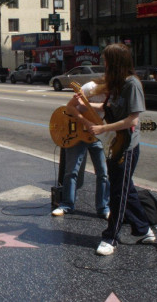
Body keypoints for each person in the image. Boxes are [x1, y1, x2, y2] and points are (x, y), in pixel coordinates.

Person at [84, 43, 155, 256]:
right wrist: (85, 104)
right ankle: (143, 230)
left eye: (106, 60)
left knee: (118, 193)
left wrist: (103, 128)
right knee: (125, 189)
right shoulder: (116, 84)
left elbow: (133, 119)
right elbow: (108, 108)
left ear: (115, 62)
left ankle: (111, 237)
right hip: (115, 145)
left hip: (127, 147)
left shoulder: (132, 84)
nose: (103, 64)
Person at [51, 80, 110, 219]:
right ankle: (67, 204)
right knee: (71, 171)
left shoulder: (116, 92)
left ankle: (103, 207)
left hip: (96, 135)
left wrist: (89, 105)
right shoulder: (90, 88)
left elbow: (108, 107)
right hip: (79, 132)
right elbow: (70, 107)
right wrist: (86, 121)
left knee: (103, 173)